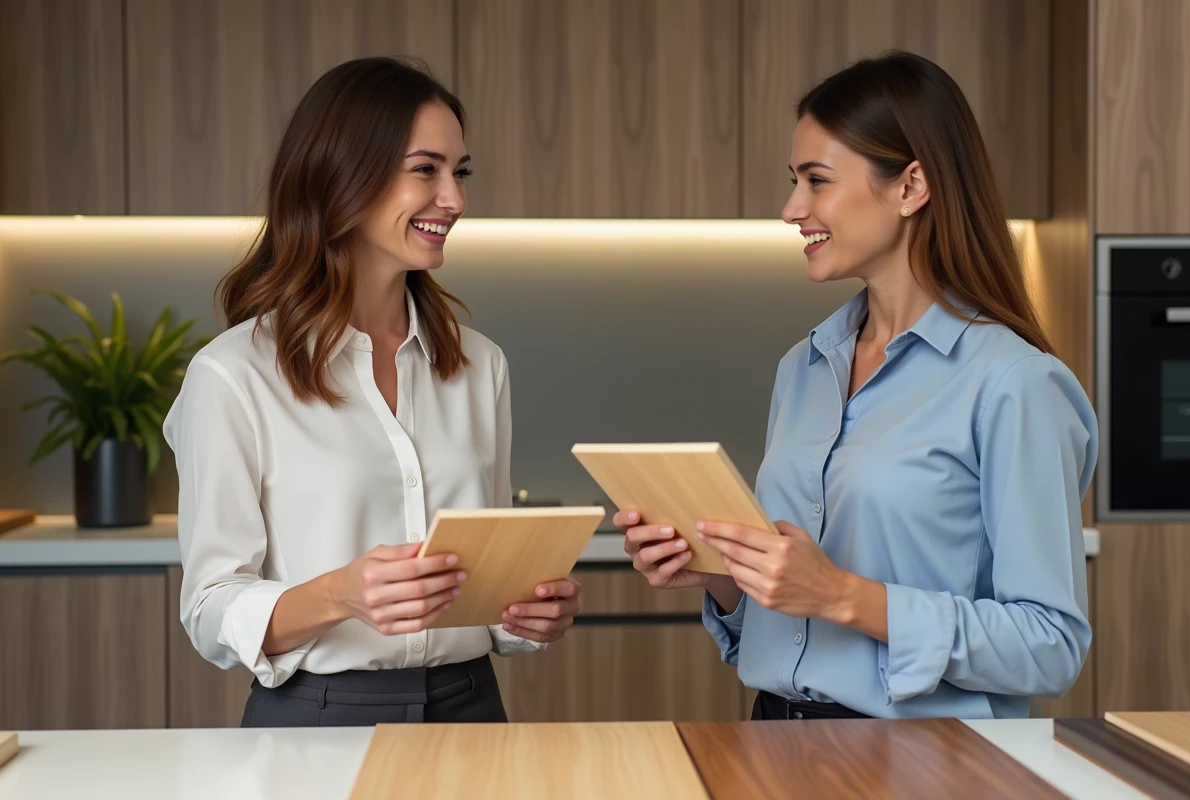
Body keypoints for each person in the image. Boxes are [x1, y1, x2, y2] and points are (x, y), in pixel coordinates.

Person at [618, 51, 1098, 720]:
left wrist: (843, 595)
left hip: (925, 758)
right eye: (794, 181)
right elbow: (793, 626)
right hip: (776, 736)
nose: (792, 208)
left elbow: (1050, 647)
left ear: (911, 186)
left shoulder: (1015, 384)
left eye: (817, 181)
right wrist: (724, 579)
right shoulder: (804, 368)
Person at [163, 57, 579, 727]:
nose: (455, 200)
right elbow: (210, 609)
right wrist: (340, 595)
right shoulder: (233, 375)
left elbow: (493, 588)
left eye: (460, 172)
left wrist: (529, 612)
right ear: (342, 177)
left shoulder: (480, 365)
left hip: (472, 709)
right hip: (317, 716)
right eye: (426, 170)